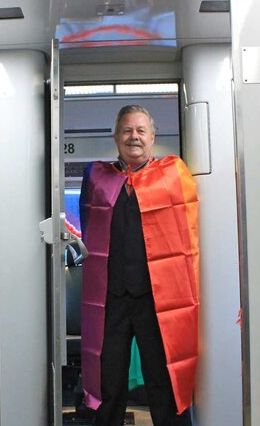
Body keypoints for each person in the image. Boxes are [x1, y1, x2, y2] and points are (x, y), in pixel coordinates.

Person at [79, 105, 199, 426]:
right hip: (111, 300)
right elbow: (89, 227)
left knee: (164, 382)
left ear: (153, 136)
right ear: (116, 136)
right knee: (109, 383)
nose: (134, 137)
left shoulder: (172, 173)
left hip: (157, 301)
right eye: (127, 130)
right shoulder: (97, 177)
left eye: (141, 131)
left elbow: (189, 231)